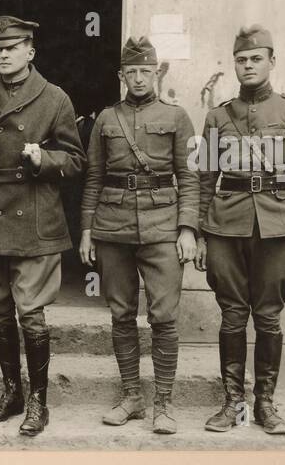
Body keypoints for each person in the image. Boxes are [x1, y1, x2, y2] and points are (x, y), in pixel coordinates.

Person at [194, 25, 285, 435]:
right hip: (225, 227)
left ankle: (264, 403)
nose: (247, 66)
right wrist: (199, 233)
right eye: (240, 59)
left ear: (272, 62)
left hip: (276, 228)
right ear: (233, 64)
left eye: (255, 59)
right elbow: (203, 178)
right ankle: (232, 403)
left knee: (268, 316)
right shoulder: (218, 115)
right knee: (232, 315)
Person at [0, 15, 85, 436]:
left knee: (30, 312)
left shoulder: (55, 99)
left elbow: (77, 161)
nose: (5, 54)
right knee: (0, 311)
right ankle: (12, 391)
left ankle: (39, 402)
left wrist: (44, 160)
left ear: (31, 51)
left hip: (34, 218)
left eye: (13, 48)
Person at [79, 36, 198, 433]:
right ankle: (132, 397)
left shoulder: (178, 118)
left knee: (163, 317)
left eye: (146, 71)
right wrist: (86, 229)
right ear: (121, 75)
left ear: (157, 72)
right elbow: (94, 177)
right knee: (121, 314)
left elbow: (190, 177)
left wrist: (187, 229)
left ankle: (162, 405)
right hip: (113, 228)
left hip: (164, 228)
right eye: (131, 72)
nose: (139, 78)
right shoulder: (106, 120)